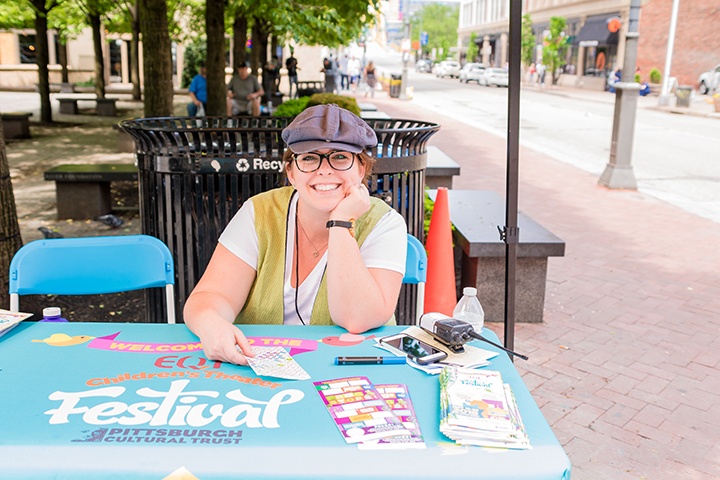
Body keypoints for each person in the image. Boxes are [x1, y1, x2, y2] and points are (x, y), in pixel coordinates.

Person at [183, 104, 408, 365]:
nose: (324, 170)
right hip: (256, 369)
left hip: (351, 368)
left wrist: (341, 222)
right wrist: (211, 323)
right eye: (309, 158)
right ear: (291, 172)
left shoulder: (385, 223)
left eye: (340, 157)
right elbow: (211, 296)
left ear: (360, 169)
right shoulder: (259, 212)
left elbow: (358, 318)